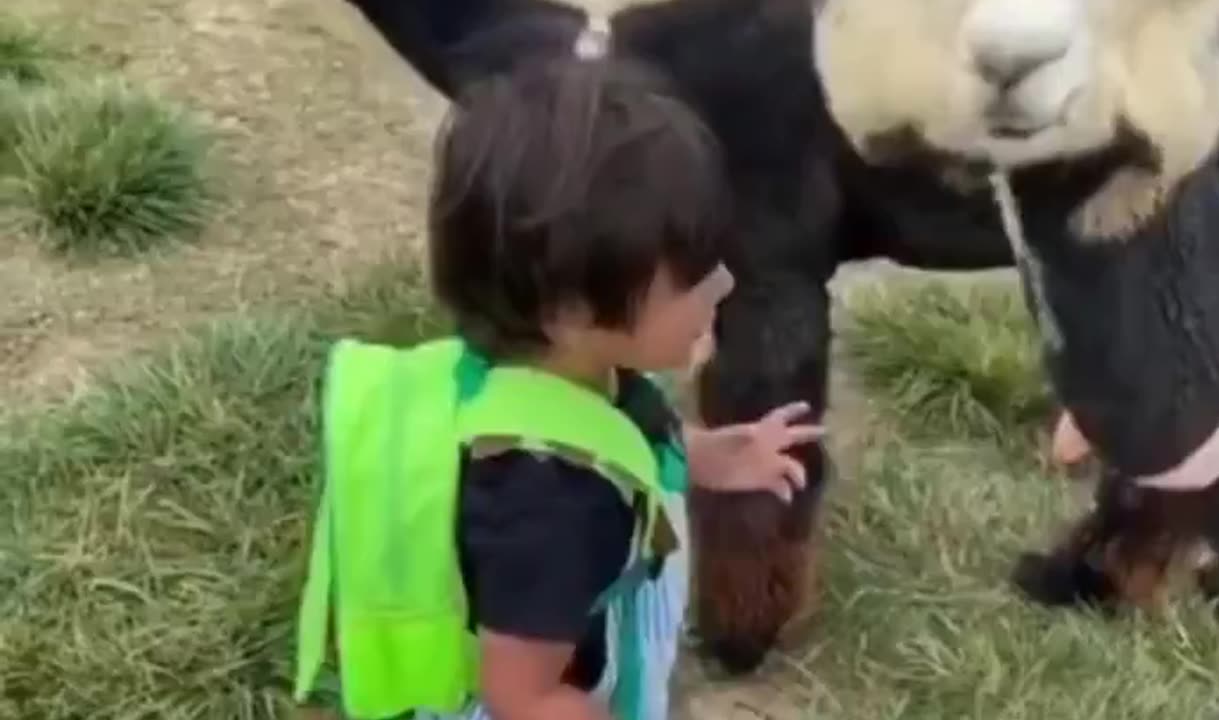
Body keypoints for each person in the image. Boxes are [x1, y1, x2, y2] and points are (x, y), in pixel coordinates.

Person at [292, 53, 824, 720]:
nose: (723, 285)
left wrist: (707, 456)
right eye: (691, 277)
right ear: (570, 309)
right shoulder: (551, 508)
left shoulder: (546, 368)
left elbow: (612, 429)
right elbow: (523, 693)